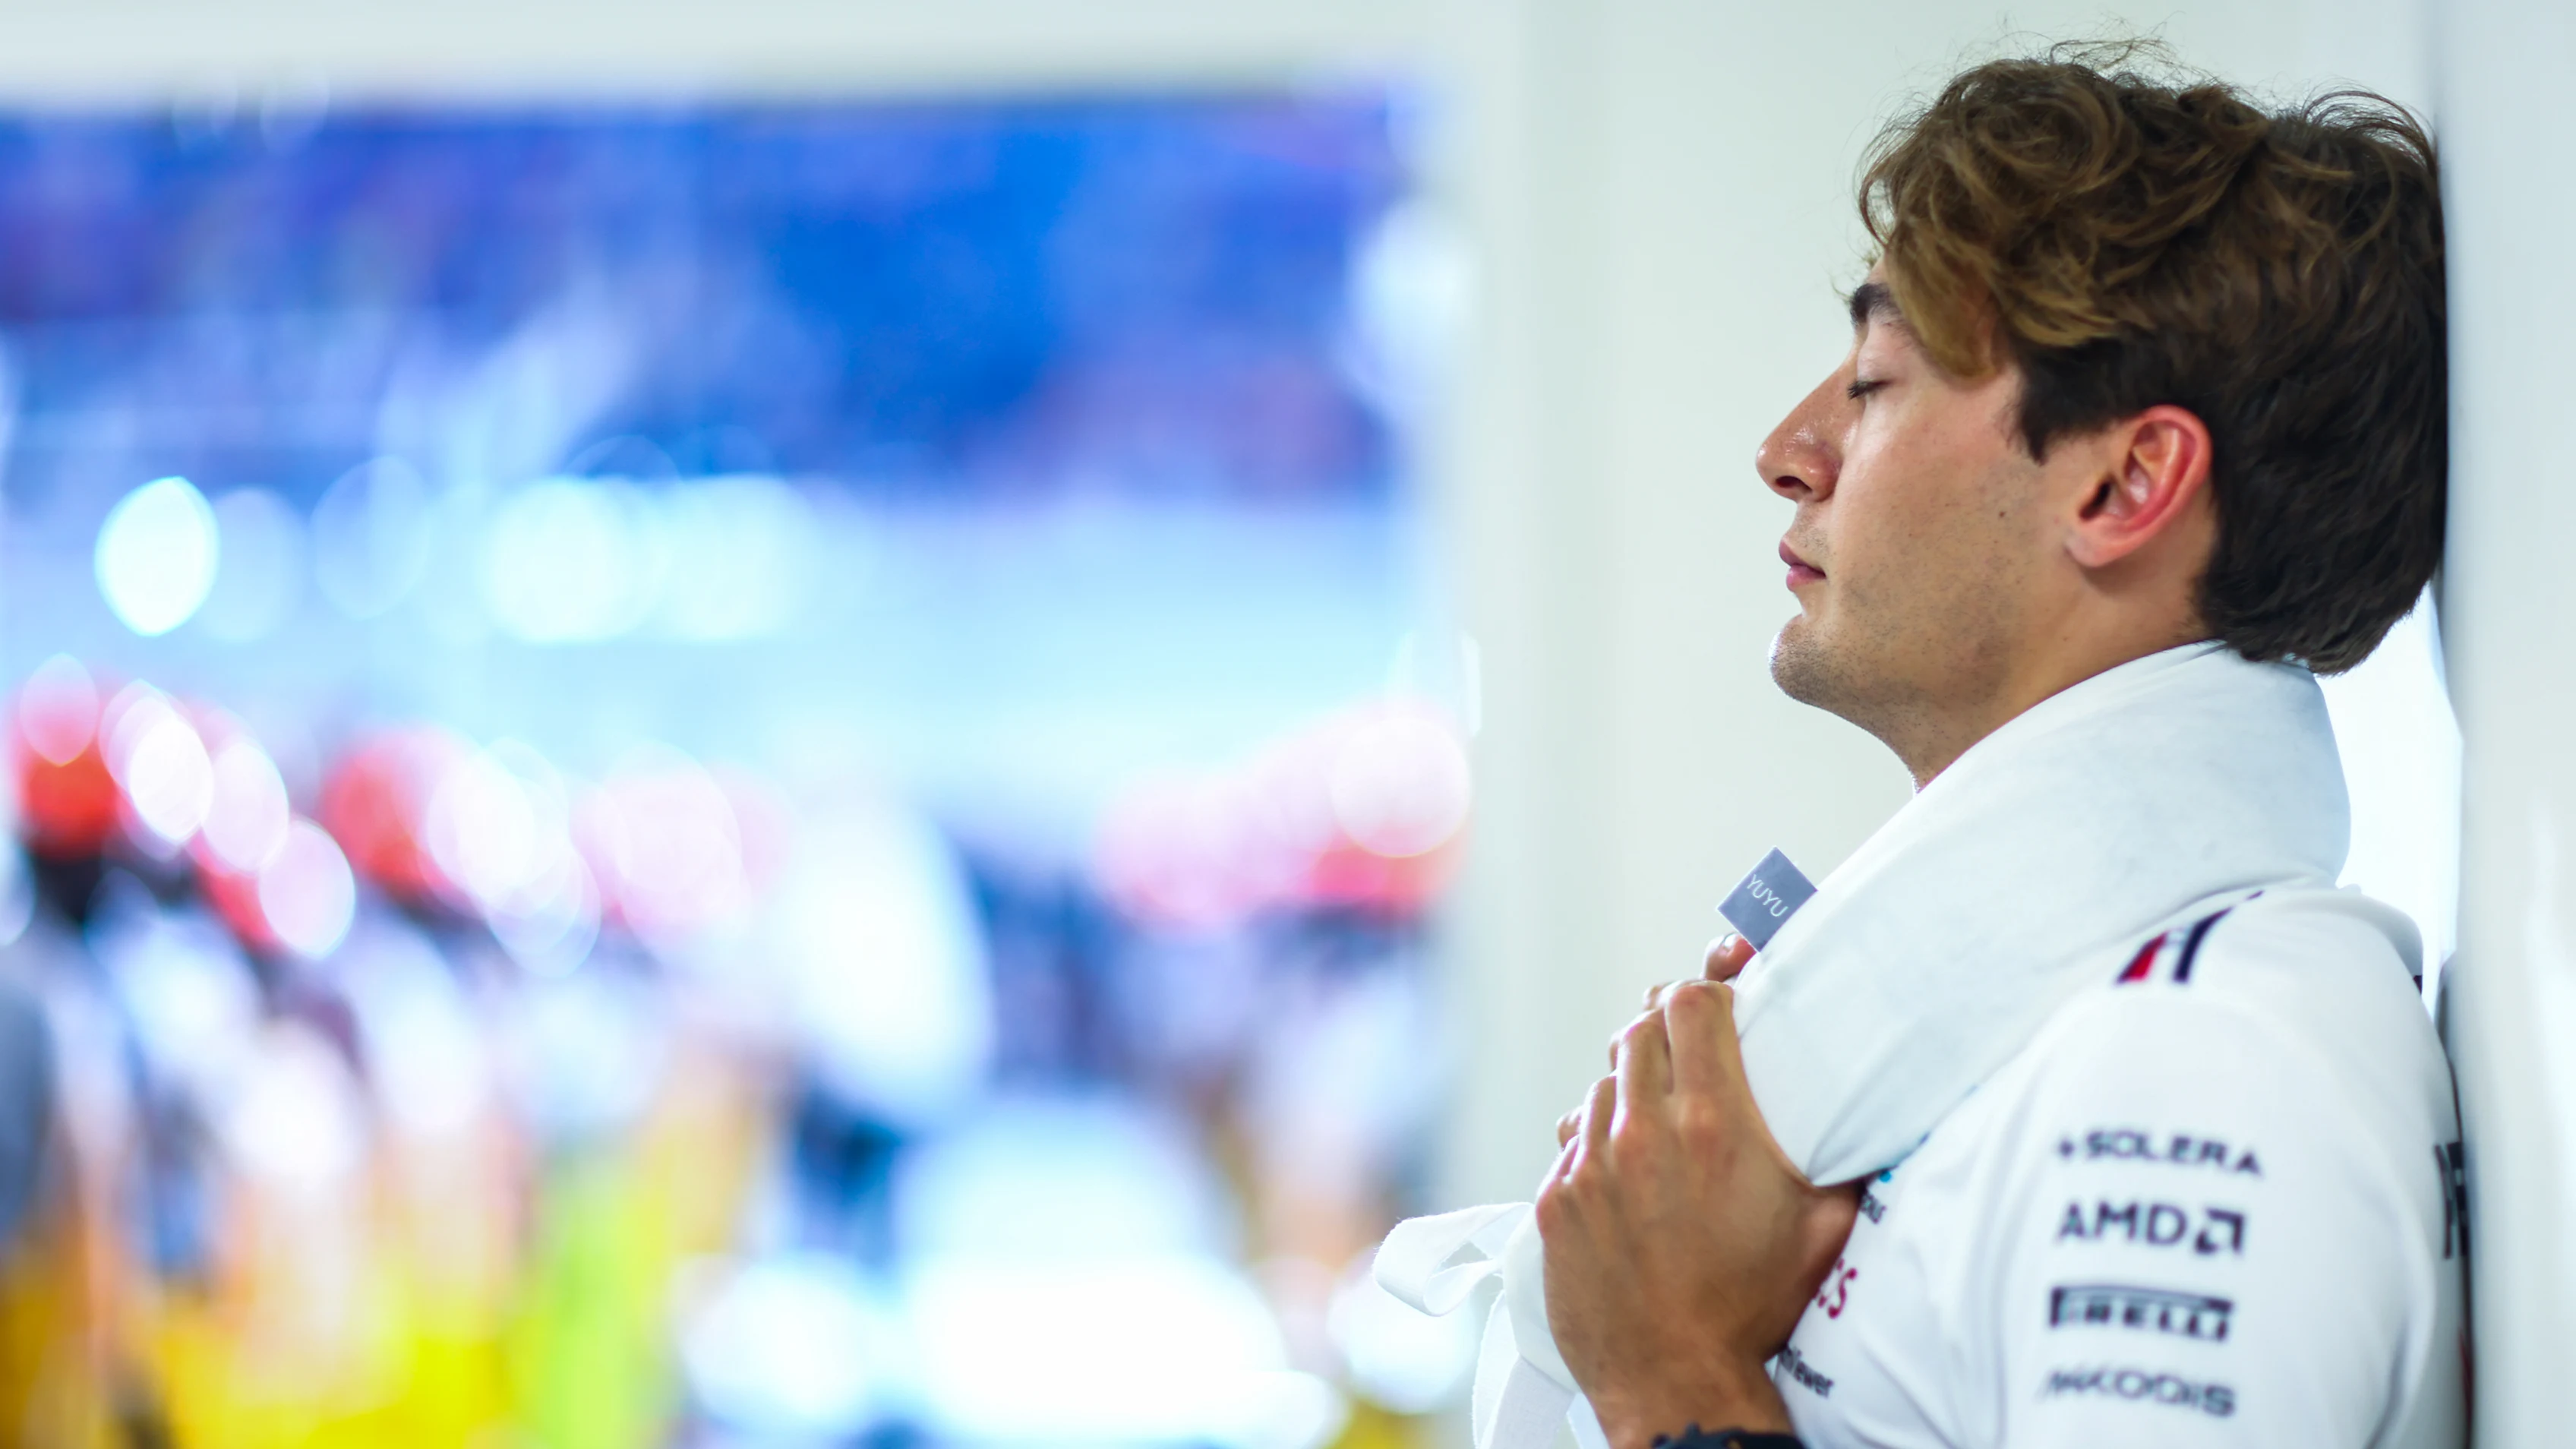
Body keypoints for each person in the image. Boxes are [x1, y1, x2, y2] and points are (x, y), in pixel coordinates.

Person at [1530, 45, 2461, 1449]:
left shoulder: (2212, 1067)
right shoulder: (2037, 1028)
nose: (1789, 448)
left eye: (1877, 378)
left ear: (2126, 481)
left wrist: (1672, 1373)